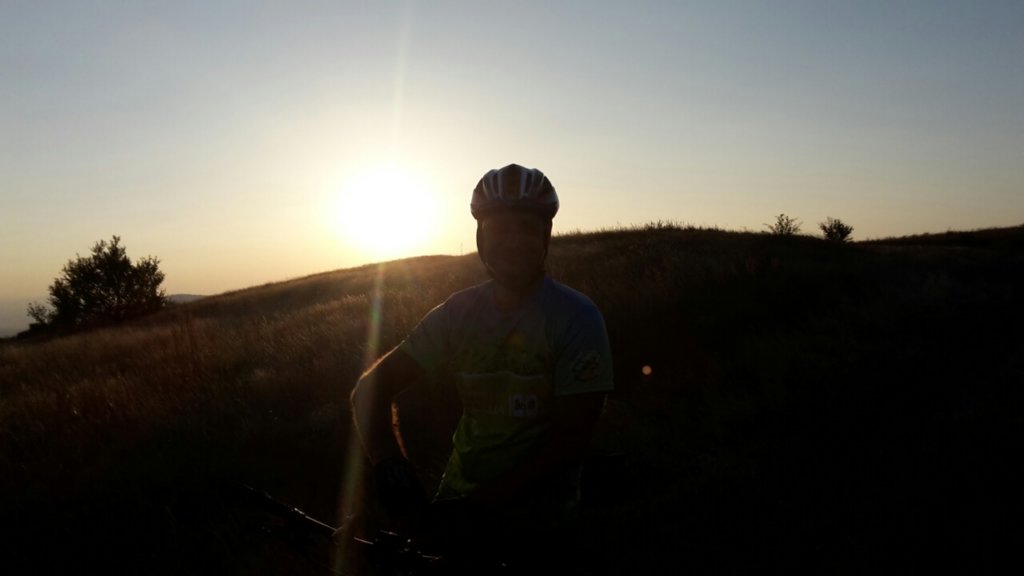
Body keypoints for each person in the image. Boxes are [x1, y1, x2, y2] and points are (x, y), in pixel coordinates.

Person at [349, 163, 614, 571]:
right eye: (499, 228)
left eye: (527, 228)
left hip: (541, 523)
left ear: (545, 237)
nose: (513, 241)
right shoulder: (458, 313)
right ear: (480, 237)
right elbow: (370, 389)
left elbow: (569, 443)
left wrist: (473, 510)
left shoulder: (577, 318)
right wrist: (391, 469)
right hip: (456, 503)